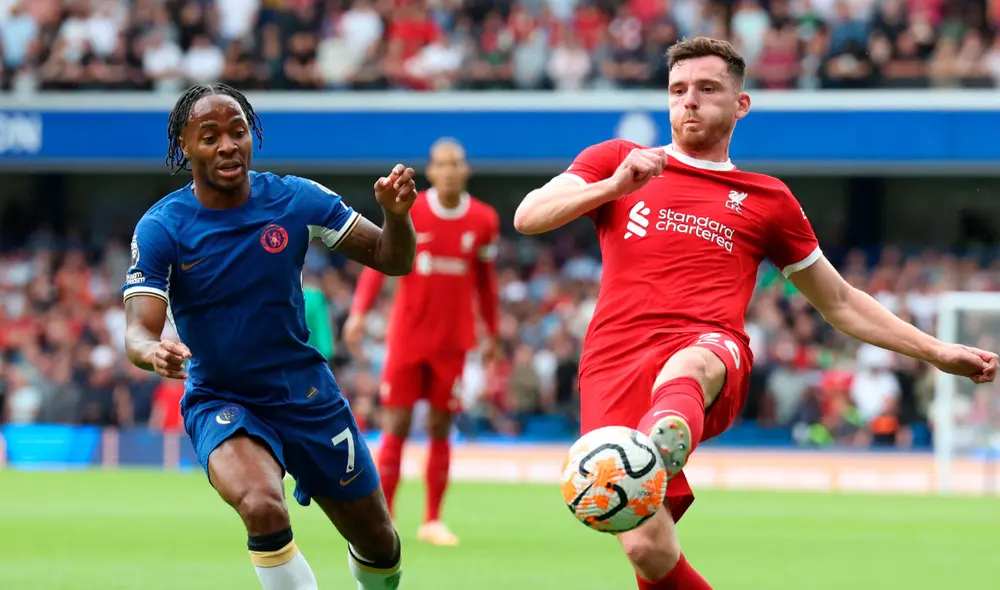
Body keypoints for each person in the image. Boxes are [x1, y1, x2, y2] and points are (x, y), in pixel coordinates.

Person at [513, 37, 999, 590]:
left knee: (691, 364)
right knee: (648, 549)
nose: (688, 101)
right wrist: (613, 185)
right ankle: (655, 446)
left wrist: (938, 351)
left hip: (708, 349)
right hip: (613, 361)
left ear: (740, 104)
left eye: (706, 89)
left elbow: (839, 301)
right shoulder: (618, 161)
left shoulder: (767, 199)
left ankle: (658, 440)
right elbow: (529, 216)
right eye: (677, 91)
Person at [122, 83, 417, 590]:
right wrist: (153, 351)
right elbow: (138, 329)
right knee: (261, 506)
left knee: (379, 542)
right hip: (222, 397)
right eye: (209, 136)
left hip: (306, 395)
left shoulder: (298, 201)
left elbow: (394, 259)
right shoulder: (162, 226)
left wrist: (395, 215)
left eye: (238, 132)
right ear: (185, 146)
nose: (227, 145)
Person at [343, 138, 500, 546]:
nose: (449, 170)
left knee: (440, 427)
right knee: (394, 425)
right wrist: (359, 311)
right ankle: (386, 517)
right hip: (408, 338)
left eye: (456, 163)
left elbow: (485, 285)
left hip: (453, 341)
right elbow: (379, 260)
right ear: (431, 171)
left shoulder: (483, 220)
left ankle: (432, 520)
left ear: (465, 170)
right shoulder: (410, 210)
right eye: (442, 164)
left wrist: (493, 334)